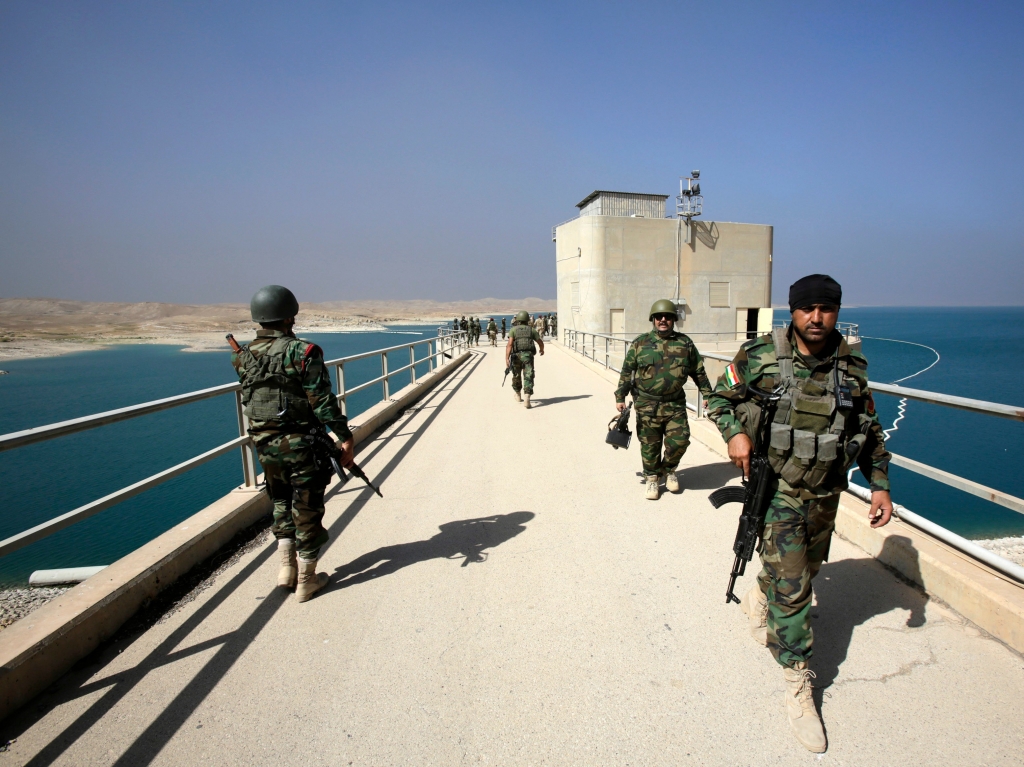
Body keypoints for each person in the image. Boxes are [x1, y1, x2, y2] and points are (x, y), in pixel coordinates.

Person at [706, 274, 893, 753]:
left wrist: (880, 485)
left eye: (826, 309)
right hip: (781, 489)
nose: (816, 317)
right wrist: (733, 433)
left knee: (806, 569)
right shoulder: (760, 356)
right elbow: (717, 396)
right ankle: (798, 681)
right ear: (793, 310)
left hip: (827, 491)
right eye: (807, 308)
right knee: (796, 590)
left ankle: (761, 593)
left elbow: (868, 427)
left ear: (836, 312)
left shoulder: (851, 366)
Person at [231, 285, 355, 603]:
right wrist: (345, 437)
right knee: (308, 508)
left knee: (281, 502)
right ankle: (306, 578)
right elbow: (323, 402)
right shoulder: (303, 352)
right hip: (302, 445)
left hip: (264, 445)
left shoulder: (243, 356)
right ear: (290, 316)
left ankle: (285, 569)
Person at [615, 299, 712, 500]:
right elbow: (627, 371)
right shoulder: (640, 343)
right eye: (659, 317)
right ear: (653, 319)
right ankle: (652, 479)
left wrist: (707, 393)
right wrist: (620, 395)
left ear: (674, 319)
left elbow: (698, 371)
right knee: (650, 443)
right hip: (646, 403)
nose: (663, 320)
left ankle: (668, 470)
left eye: (668, 317)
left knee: (680, 441)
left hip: (675, 403)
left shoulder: (685, 343)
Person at [505, 310, 544, 408]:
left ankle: (518, 395)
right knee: (528, 375)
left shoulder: (513, 330)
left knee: (516, 375)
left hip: (516, 356)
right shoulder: (532, 330)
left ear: (518, 320)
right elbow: (540, 342)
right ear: (527, 320)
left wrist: (506, 358)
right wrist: (541, 350)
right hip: (528, 356)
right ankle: (527, 397)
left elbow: (509, 344)